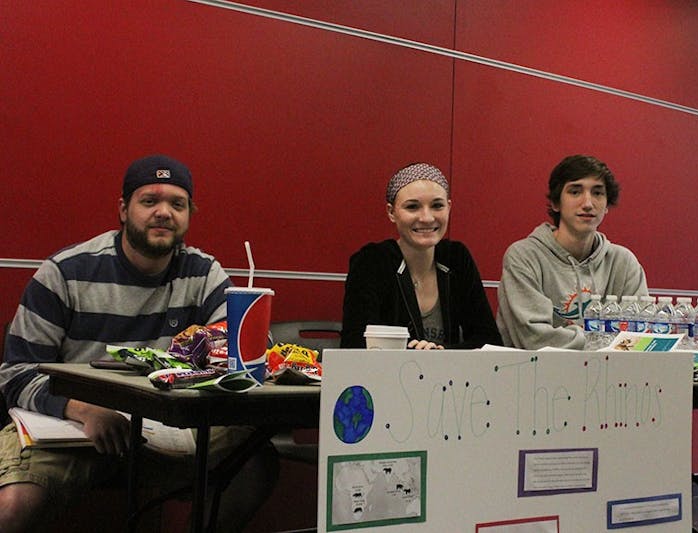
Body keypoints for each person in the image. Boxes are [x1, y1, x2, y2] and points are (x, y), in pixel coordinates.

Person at [0, 155, 277, 532]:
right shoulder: (66, 272)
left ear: (190, 214)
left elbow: (240, 355)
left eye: (177, 204)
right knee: (14, 506)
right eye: (149, 201)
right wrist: (83, 410)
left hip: (163, 432)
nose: (164, 212)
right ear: (123, 209)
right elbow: (16, 373)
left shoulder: (203, 273)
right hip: (75, 429)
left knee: (255, 464)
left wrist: (239, 346)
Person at [341, 162, 502, 349]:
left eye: (437, 206)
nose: (427, 217)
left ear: (449, 208)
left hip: (450, 376)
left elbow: (489, 343)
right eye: (412, 207)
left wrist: (439, 354)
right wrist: (413, 355)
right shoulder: (371, 262)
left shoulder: (457, 258)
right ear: (391, 212)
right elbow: (355, 347)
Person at [496, 154, 648, 350]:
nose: (587, 203)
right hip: (537, 376)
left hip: (614, 378)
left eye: (598, 193)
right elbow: (534, 340)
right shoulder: (524, 257)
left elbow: (639, 338)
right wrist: (606, 341)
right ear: (555, 203)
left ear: (607, 205)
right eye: (575, 192)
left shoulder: (624, 263)